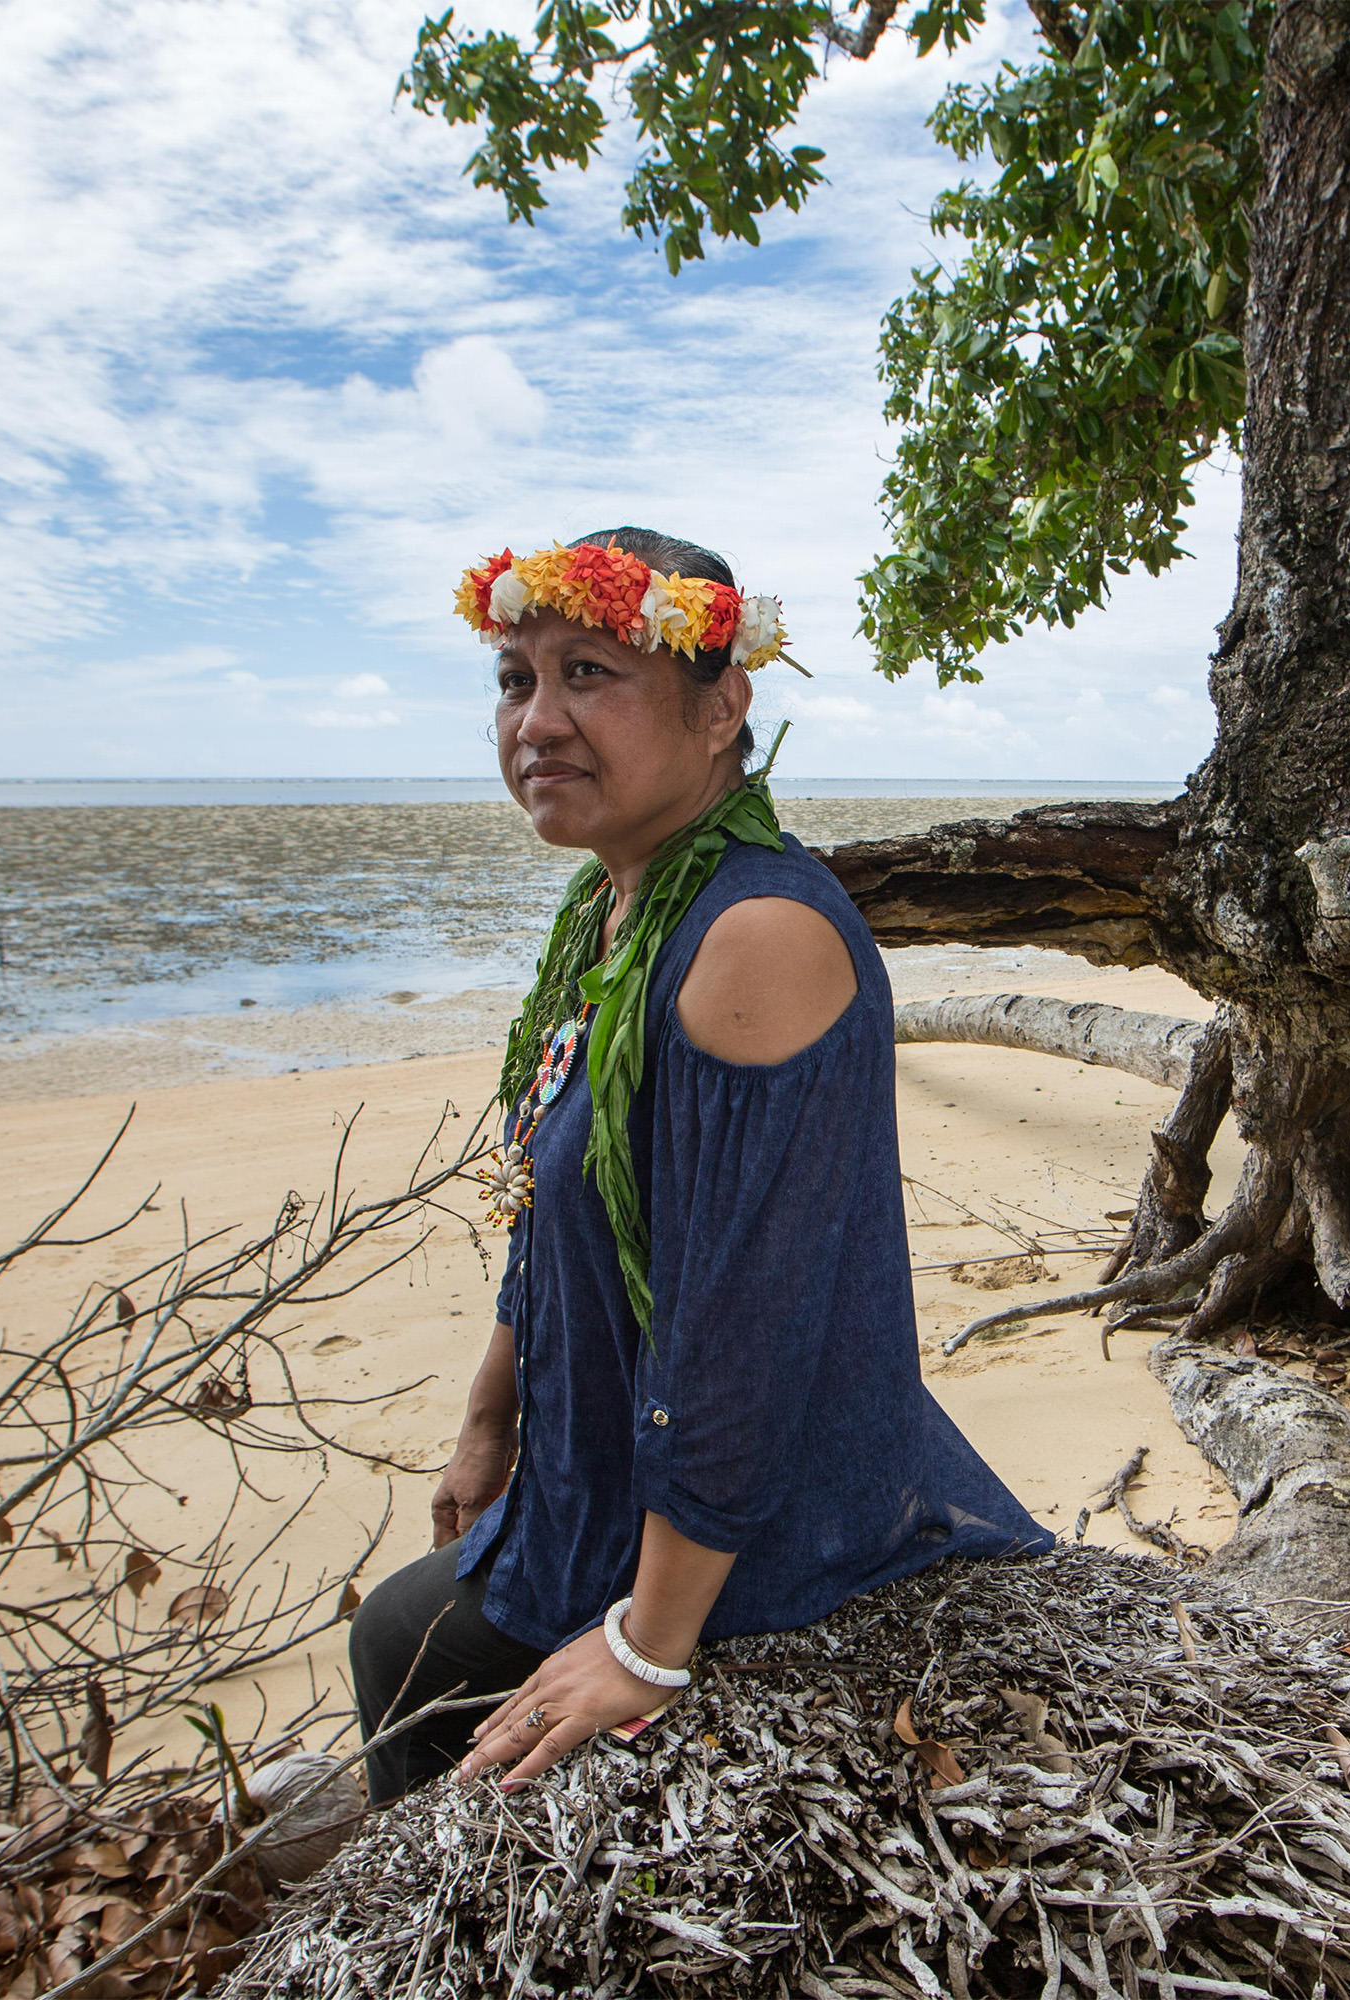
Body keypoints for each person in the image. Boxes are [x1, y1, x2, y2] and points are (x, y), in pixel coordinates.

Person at [347, 528, 1051, 1803]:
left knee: (400, 1641)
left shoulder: (754, 932)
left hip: (757, 1523)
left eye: (588, 674)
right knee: (406, 1633)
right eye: (515, 679)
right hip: (602, 1467)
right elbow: (553, 1207)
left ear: (722, 704)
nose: (537, 721)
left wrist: (646, 1641)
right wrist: (491, 1412)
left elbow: (742, 1330)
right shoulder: (612, 906)